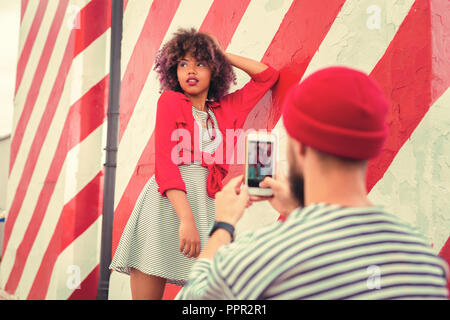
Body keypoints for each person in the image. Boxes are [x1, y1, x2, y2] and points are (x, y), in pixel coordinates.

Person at [177, 66, 449, 300]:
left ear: (301, 148)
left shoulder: (265, 256)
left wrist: (223, 225)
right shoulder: (424, 264)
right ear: (370, 149)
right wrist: (297, 209)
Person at [109, 28, 279, 300]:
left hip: (207, 203)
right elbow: (166, 165)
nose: (191, 70)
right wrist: (186, 219)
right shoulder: (171, 101)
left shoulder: (227, 109)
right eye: (183, 64)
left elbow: (267, 76)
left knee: (208, 294)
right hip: (166, 203)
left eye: (201, 63)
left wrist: (220, 53)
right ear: (173, 71)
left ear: (215, 70)